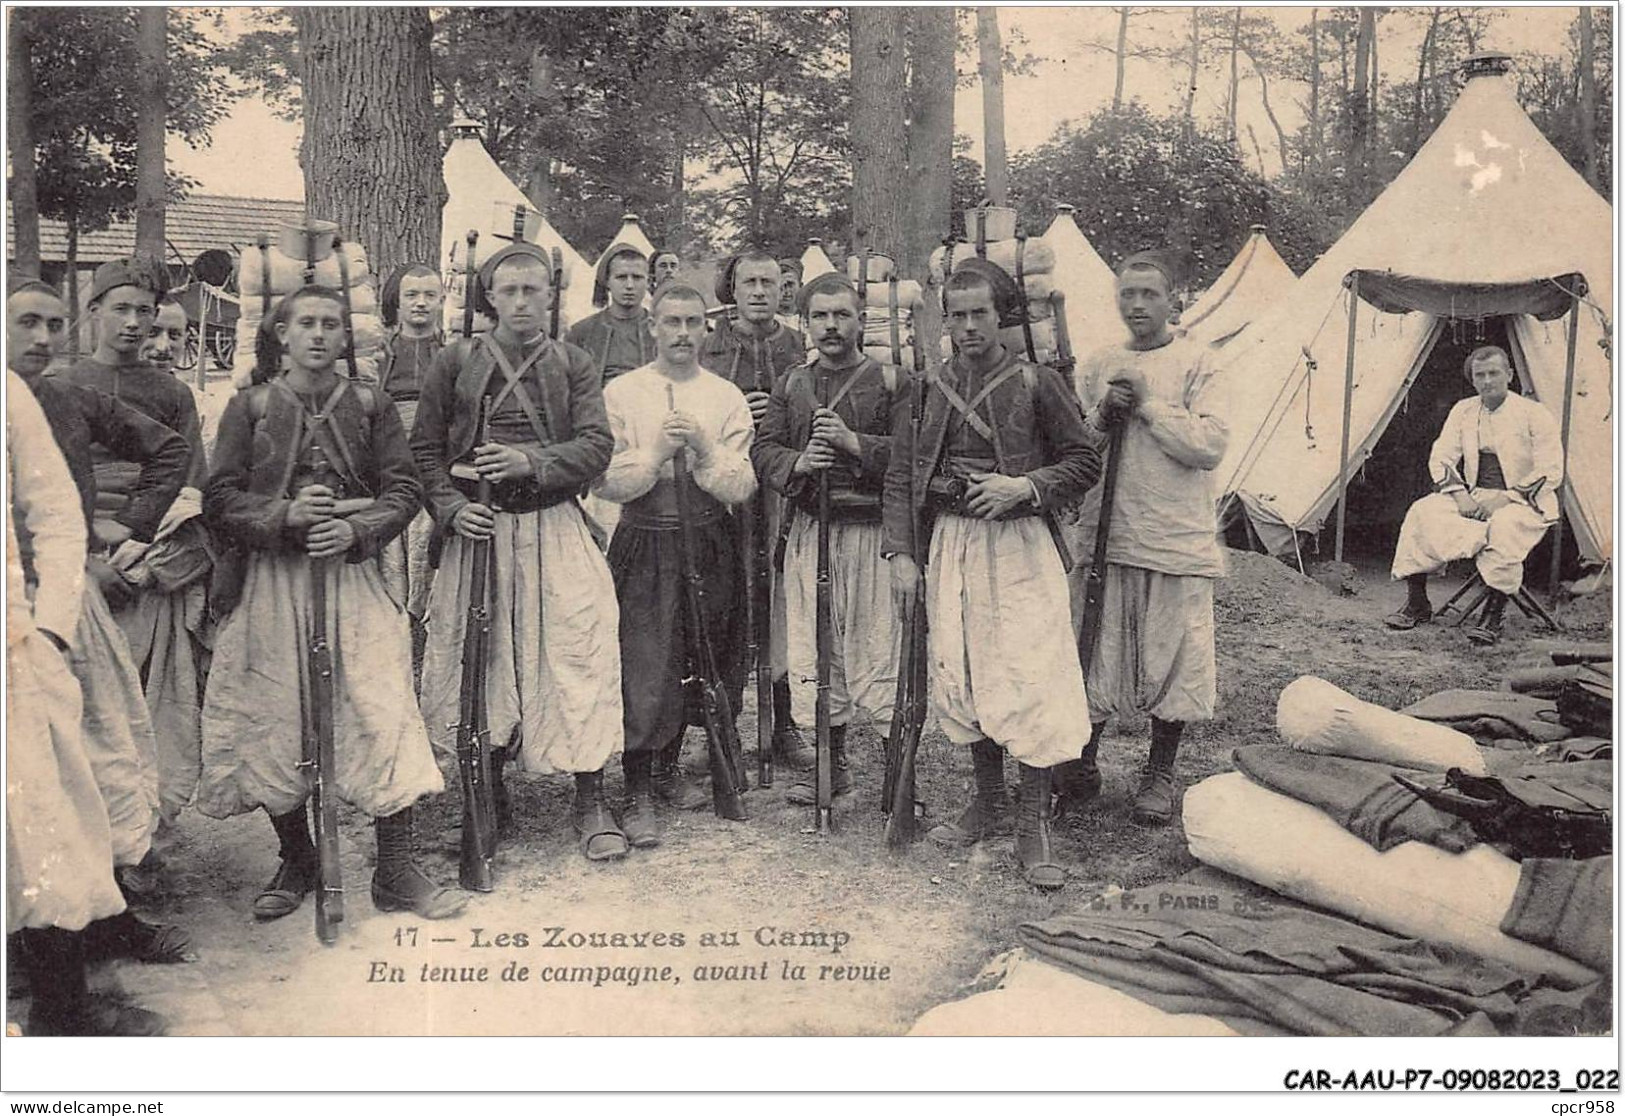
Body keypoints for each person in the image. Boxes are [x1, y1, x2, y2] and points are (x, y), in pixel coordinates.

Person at [199, 285, 464, 921]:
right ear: (281, 335)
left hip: (351, 577)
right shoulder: (249, 406)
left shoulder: (371, 405)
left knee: (381, 704)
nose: (318, 335)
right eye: (305, 324)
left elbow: (403, 490)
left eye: (331, 325)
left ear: (347, 338)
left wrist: (357, 528)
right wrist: (283, 514)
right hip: (272, 581)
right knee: (272, 713)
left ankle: (396, 870)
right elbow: (220, 500)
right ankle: (297, 856)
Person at [884, 262, 1100, 889]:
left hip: (1021, 546)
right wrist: (902, 552)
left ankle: (1034, 821)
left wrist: (1025, 486)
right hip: (950, 544)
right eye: (958, 314)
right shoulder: (926, 388)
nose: (969, 325)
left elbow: (1083, 459)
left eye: (981, 313)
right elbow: (902, 475)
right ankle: (987, 800)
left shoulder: (1038, 382)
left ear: (1000, 314)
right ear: (944, 319)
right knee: (964, 670)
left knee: (1030, 674)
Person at [413, 242, 628, 862]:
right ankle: (484, 794)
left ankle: (590, 797)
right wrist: (452, 509)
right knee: (478, 662)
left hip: (552, 527)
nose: (522, 301)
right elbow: (423, 453)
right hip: (478, 531)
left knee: (574, 655)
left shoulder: (574, 363)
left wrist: (530, 461)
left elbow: (595, 447)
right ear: (490, 297)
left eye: (533, 290)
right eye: (509, 291)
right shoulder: (454, 363)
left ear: (550, 296)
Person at [12, 278, 194, 962]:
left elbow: (171, 451)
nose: (41, 338)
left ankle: (106, 912)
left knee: (103, 751)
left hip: (70, 603)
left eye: (51, 325)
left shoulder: (68, 399)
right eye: (27, 322)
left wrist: (122, 532)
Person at [7, 364, 165, 1036]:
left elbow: (57, 516)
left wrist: (48, 624)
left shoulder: (6, 394)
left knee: (46, 820)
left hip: (12, 649)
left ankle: (60, 1014)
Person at [1063, 252, 1229, 827]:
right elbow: (1075, 448)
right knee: (1092, 649)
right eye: (1128, 293)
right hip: (1106, 535)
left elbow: (1207, 446)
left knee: (1173, 655)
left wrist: (1151, 407)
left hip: (1173, 535)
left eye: (1149, 294)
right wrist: (1104, 413)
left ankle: (1159, 771)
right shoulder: (1099, 363)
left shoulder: (1199, 362)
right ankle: (1082, 763)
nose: (1137, 305)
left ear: (1172, 299)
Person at [595, 282, 756, 843]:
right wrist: (658, 454)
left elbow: (741, 483)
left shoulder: (725, 395)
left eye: (692, 322)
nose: (682, 333)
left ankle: (670, 767)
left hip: (710, 538)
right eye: (671, 322)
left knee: (704, 649)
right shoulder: (622, 393)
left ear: (706, 329)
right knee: (645, 659)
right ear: (653, 328)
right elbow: (607, 480)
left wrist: (707, 450)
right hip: (646, 540)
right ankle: (637, 784)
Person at [752, 272, 903, 807]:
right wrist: (798, 461)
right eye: (821, 316)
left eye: (842, 315)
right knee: (819, 652)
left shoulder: (891, 382)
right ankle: (830, 765)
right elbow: (763, 450)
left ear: (861, 319)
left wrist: (852, 443)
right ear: (806, 321)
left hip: (871, 535)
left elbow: (913, 457)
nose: (832, 326)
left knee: (879, 648)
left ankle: (897, 776)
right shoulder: (793, 383)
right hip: (811, 531)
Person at [74, 274, 214, 846]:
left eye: (144, 312)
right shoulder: (61, 383)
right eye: (121, 310)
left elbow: (192, 480)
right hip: (79, 553)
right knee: (84, 706)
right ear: (94, 313)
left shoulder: (171, 394)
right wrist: (88, 556)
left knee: (148, 705)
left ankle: (143, 833)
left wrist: (149, 553)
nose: (133, 323)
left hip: (152, 557)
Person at [701, 249, 813, 768]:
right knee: (725, 598)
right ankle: (720, 725)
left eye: (770, 281)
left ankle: (783, 721)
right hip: (722, 490)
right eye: (750, 282)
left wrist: (785, 415)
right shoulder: (709, 345)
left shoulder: (798, 345)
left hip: (781, 489)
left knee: (780, 598)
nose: (760, 291)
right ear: (734, 288)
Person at [1385, 345, 1563, 645]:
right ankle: (1417, 604)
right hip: (1473, 494)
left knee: (1505, 527)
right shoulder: (1463, 410)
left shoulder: (1535, 413)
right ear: (1472, 379)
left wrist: (1506, 498)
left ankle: (1492, 616)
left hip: (1524, 501)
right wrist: (1461, 496)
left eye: (1494, 373)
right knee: (1422, 511)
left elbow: (1551, 467)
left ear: (1510, 374)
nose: (1487, 380)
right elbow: (1441, 457)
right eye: (1480, 375)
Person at [376, 263, 447, 624]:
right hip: (391, 460)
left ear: (441, 301)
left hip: (439, 459)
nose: (421, 303)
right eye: (412, 295)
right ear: (397, 302)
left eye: (429, 295)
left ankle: (431, 608)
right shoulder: (379, 354)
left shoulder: (455, 352)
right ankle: (392, 606)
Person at [566, 242, 657, 385]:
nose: (629, 286)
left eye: (637, 277)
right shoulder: (581, 333)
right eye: (621, 277)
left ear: (649, 282)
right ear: (607, 281)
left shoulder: (661, 330)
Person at [139, 295, 191, 375]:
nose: (162, 348)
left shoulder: (179, 387)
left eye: (174, 335)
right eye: (151, 332)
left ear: (185, 338)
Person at [776, 258, 804, 332]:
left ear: (800, 286)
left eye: (790, 285)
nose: (786, 291)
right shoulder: (765, 321)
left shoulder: (808, 319)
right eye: (781, 286)